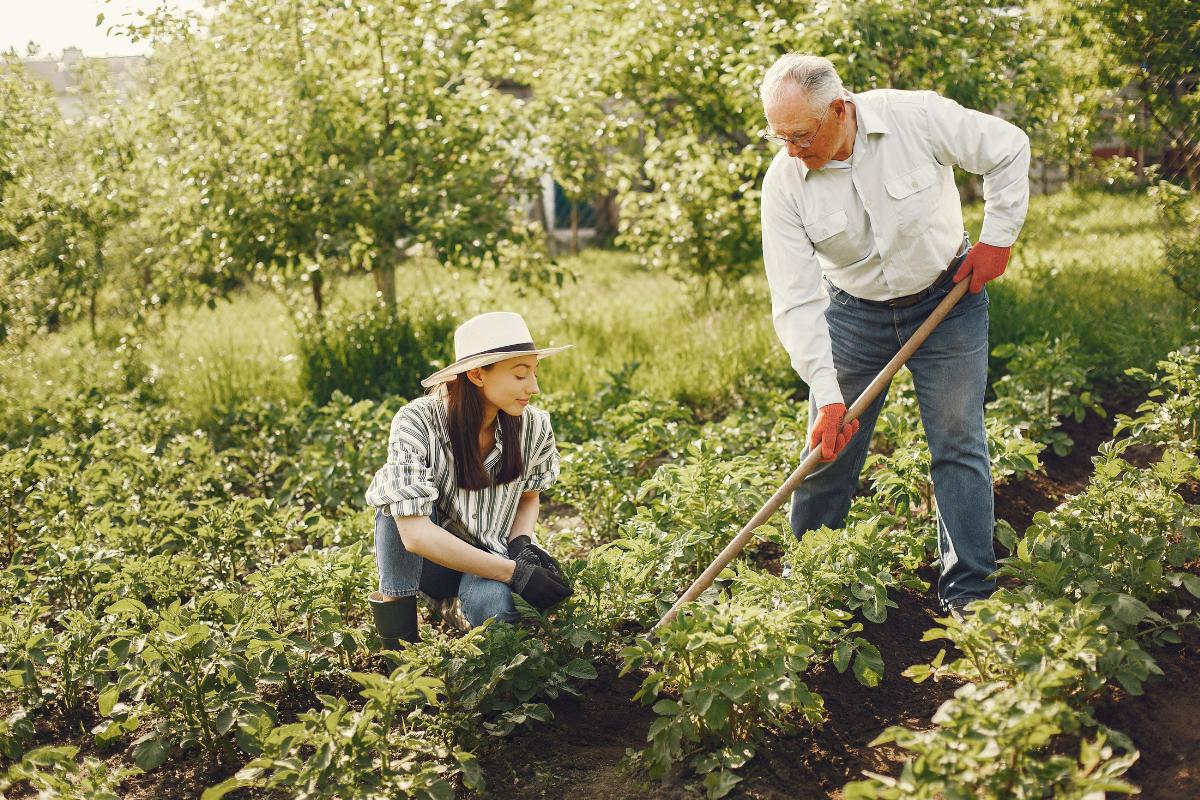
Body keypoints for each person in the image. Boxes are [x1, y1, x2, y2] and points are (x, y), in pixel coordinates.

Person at [758, 54, 1031, 621]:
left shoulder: (915, 118)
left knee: (957, 442)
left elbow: (1008, 148)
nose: (791, 149)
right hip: (852, 316)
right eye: (779, 136)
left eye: (801, 135)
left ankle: (970, 593)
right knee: (828, 449)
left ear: (840, 110)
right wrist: (828, 395)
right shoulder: (784, 183)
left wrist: (997, 239)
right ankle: (807, 587)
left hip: (947, 299)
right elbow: (796, 298)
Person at [365, 311, 574, 648]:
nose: (534, 387)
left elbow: (529, 495)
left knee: (495, 610)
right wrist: (514, 573)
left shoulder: (534, 426)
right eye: (520, 375)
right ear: (477, 374)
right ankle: (399, 649)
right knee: (395, 506)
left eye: (534, 373)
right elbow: (414, 535)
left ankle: (457, 611)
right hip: (433, 563)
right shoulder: (418, 421)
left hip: (492, 553)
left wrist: (521, 545)